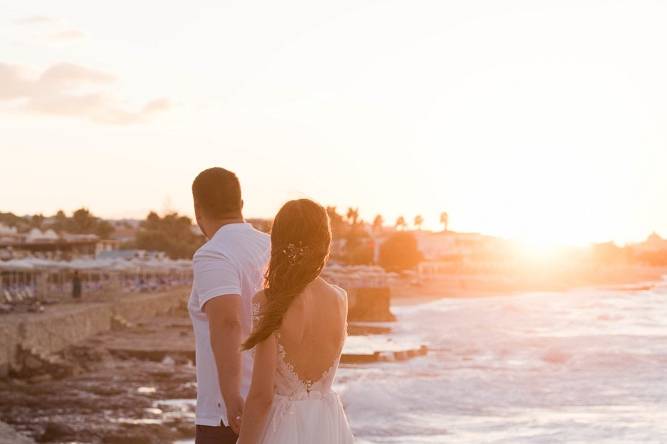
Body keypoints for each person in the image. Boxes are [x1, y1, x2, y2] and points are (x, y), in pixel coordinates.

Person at [238, 199, 354, 444]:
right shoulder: (339, 299)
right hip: (327, 425)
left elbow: (261, 396)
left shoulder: (267, 301)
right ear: (324, 242)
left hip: (281, 427)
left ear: (278, 241)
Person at [188, 167, 270, 444]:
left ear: (197, 209)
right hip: (275, 403)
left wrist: (231, 395)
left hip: (227, 414)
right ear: (241, 205)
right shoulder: (272, 246)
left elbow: (228, 323)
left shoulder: (214, 254)